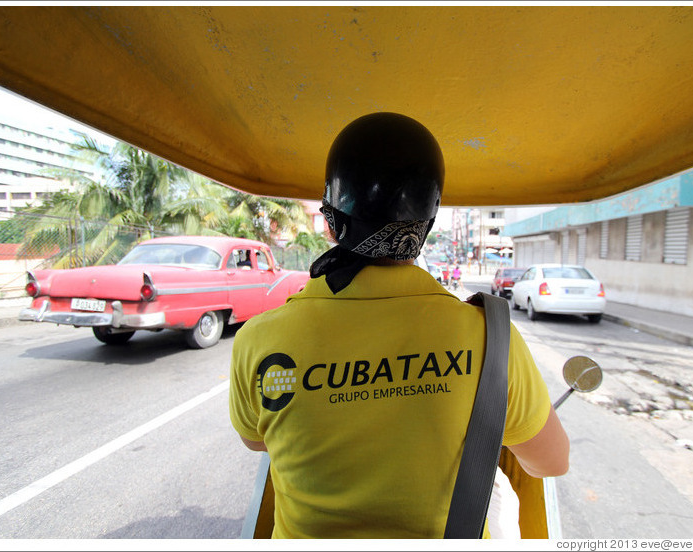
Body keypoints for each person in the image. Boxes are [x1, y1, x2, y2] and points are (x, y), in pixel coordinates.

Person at [228, 112, 569, 538]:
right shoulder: (490, 337)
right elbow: (551, 463)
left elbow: (257, 441)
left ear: (331, 221)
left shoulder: (258, 340)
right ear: (427, 221)